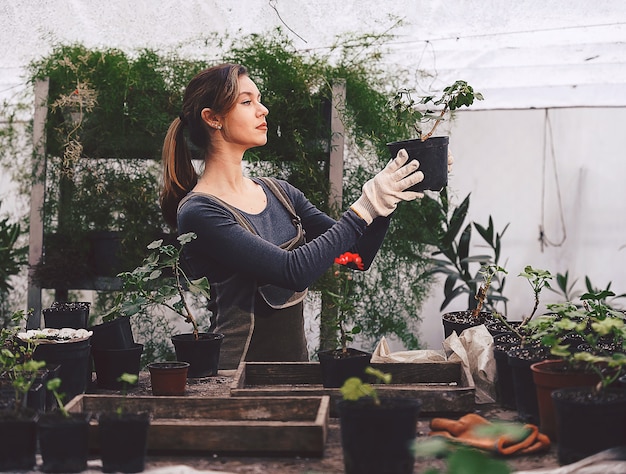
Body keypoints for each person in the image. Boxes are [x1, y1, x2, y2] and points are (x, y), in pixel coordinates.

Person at [160, 63, 425, 370]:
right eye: (247, 102)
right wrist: (364, 207)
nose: (263, 110)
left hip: (295, 373)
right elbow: (292, 271)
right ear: (213, 118)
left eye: (259, 99)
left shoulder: (280, 193)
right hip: (234, 381)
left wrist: (385, 202)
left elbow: (355, 256)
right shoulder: (200, 211)